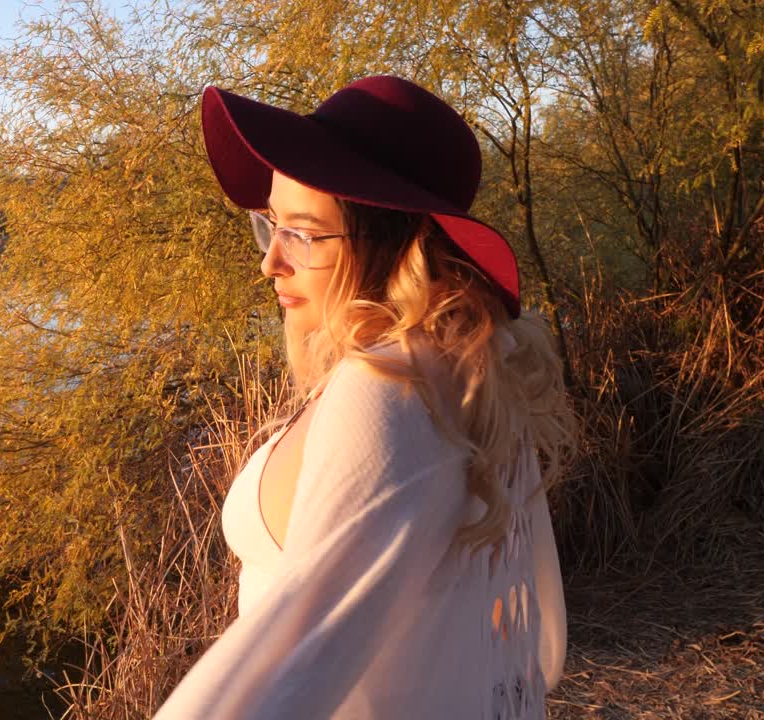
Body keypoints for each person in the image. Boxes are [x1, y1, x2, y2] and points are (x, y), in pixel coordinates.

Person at [152, 76, 577, 719]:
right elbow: (522, 635)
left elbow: (287, 673)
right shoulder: (467, 368)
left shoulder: (391, 391)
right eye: (270, 225)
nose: (270, 262)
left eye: (304, 234)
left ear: (396, 247)